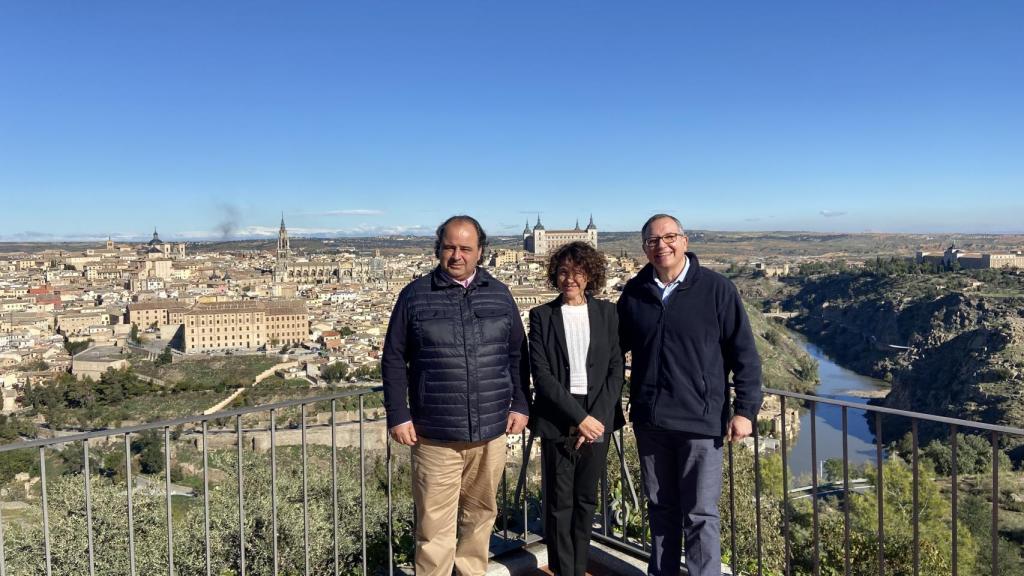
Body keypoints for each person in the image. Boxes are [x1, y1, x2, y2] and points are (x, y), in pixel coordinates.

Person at [381, 215, 531, 576]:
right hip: (435, 433)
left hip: (490, 430)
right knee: (433, 527)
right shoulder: (414, 295)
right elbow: (393, 357)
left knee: (481, 517)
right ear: (439, 249)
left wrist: (521, 403)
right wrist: (398, 414)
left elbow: (516, 353)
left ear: (480, 251)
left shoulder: (499, 293)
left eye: (465, 248)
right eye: (449, 247)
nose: (456, 255)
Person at [617, 214, 762, 576]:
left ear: (684, 241)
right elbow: (613, 350)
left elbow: (744, 354)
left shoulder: (716, 289)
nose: (661, 246)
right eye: (653, 240)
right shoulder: (635, 293)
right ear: (644, 248)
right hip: (651, 422)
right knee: (660, 509)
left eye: (669, 237)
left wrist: (745, 410)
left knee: (700, 515)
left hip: (700, 421)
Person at [528, 241, 625, 576]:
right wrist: (580, 418)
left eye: (578, 271)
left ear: (590, 275)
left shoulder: (608, 313)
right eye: (563, 272)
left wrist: (595, 418)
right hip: (560, 415)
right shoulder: (541, 316)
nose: (570, 279)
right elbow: (541, 374)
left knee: (586, 499)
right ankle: (564, 570)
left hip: (598, 415)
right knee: (559, 502)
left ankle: (579, 567)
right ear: (555, 275)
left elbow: (616, 368)